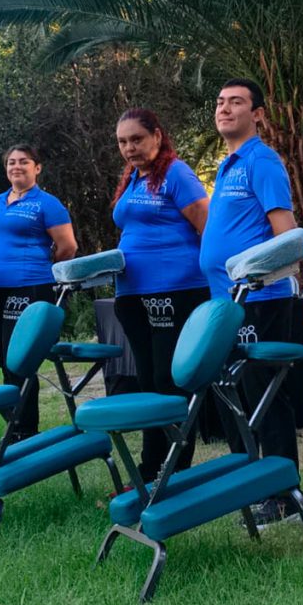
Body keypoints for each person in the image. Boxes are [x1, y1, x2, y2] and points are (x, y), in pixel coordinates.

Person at [198, 79, 300, 528]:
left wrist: (260, 279)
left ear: (257, 113)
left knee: (266, 398)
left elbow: (287, 235)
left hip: (260, 300)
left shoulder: (262, 161)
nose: (224, 108)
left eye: (236, 102)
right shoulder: (227, 165)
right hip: (226, 303)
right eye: (220, 102)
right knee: (239, 397)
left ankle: (283, 498)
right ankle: (248, 483)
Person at [111, 108, 210, 480]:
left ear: (157, 135)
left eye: (136, 139)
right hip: (133, 295)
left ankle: (172, 473)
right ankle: (150, 470)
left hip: (177, 291)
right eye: (123, 142)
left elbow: (207, 227)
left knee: (170, 385)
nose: (129, 148)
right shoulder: (135, 179)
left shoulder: (176, 173)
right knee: (150, 385)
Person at [0, 144, 77, 439]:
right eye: (11, 162)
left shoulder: (47, 203)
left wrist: (44, 271)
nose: (16, 166)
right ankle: (16, 423)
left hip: (29, 286)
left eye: (24, 161)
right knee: (2, 358)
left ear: (37, 167)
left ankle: (25, 429)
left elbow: (68, 246)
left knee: (19, 359)